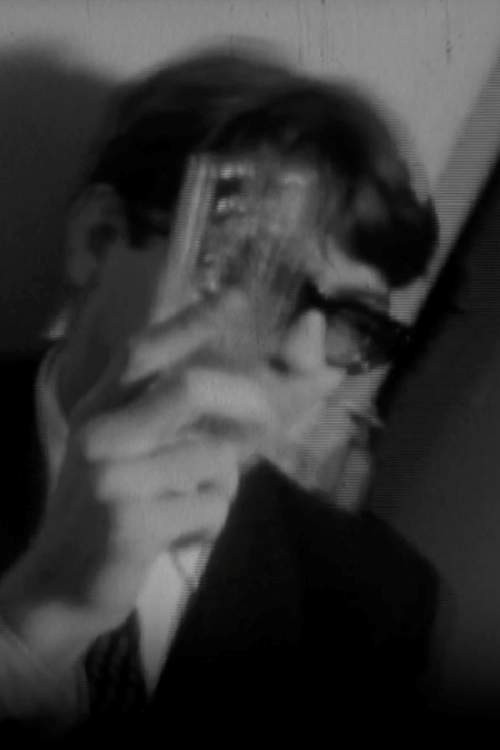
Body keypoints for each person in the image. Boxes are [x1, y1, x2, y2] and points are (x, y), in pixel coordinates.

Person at [0, 46, 439, 741]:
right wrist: (32, 630)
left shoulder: (372, 601)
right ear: (99, 240)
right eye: (249, 273)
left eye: (355, 322)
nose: (301, 355)